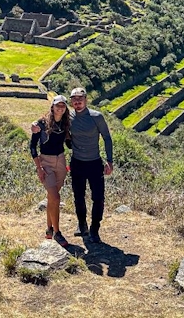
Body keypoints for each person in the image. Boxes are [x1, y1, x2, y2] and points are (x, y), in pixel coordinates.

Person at [33, 87, 113, 244]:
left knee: (98, 197)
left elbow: (107, 138)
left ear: (86, 99)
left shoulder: (97, 117)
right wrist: (35, 123)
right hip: (77, 162)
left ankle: (95, 229)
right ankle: (82, 225)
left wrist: (109, 161)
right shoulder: (68, 117)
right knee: (78, 197)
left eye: (80, 98)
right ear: (71, 101)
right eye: (74, 99)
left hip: (95, 162)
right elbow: (50, 118)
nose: (77, 101)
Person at [30, 94, 71, 247]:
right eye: (57, 105)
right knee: (56, 197)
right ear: (52, 106)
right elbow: (32, 146)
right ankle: (57, 233)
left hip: (61, 161)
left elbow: (69, 144)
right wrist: (39, 168)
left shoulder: (66, 123)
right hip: (45, 162)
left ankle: (48, 229)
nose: (60, 108)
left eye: (63, 105)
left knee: (52, 198)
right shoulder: (42, 123)